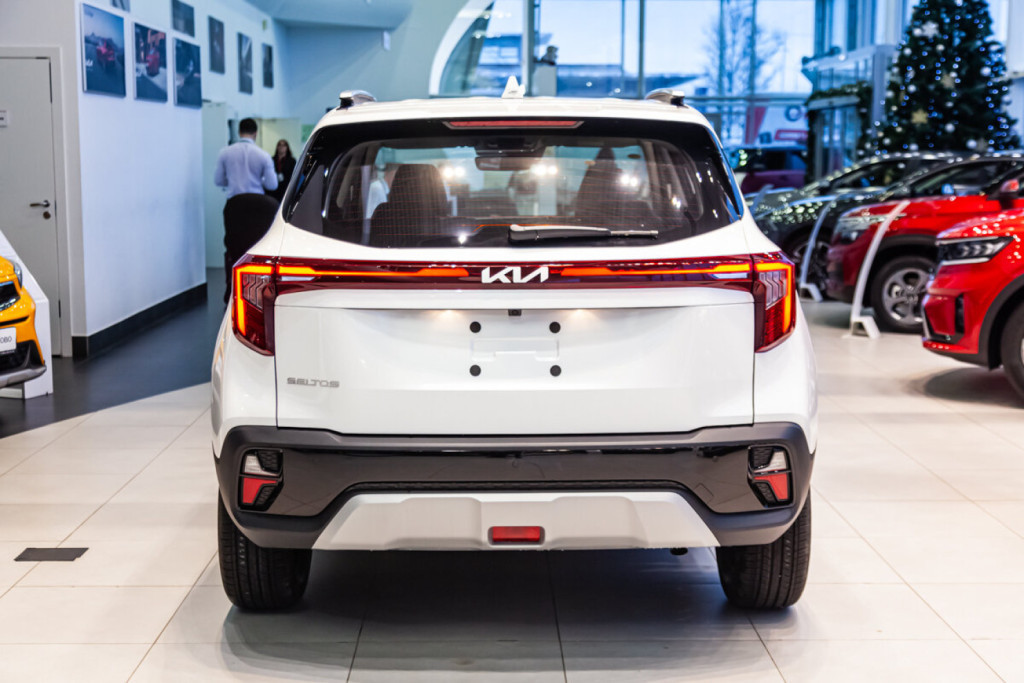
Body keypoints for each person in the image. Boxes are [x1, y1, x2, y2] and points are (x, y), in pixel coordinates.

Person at [213, 118, 278, 198]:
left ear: (239, 132)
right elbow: (272, 185)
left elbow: (218, 181)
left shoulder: (224, 153)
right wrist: (260, 180)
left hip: (234, 200)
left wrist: (233, 180)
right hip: (257, 200)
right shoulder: (264, 155)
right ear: (256, 134)